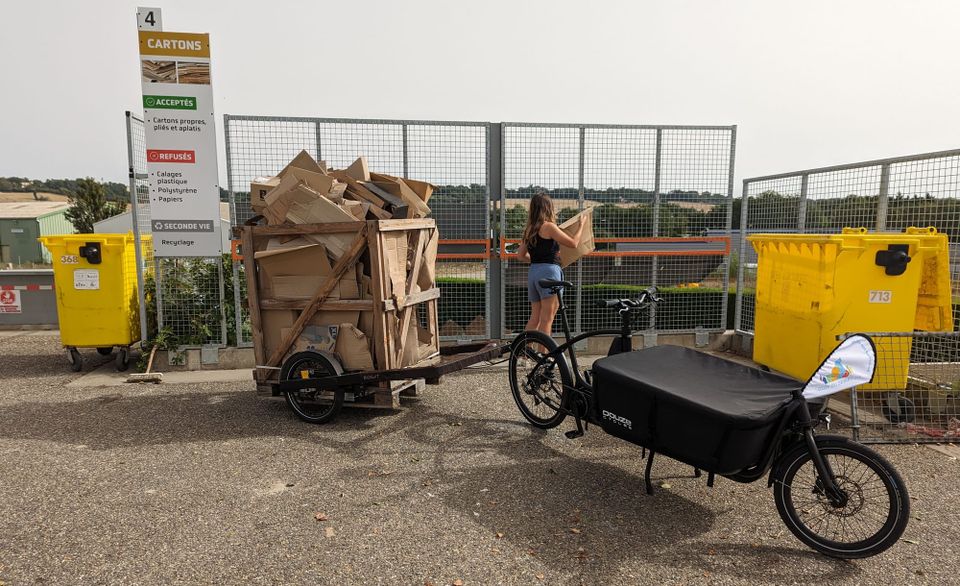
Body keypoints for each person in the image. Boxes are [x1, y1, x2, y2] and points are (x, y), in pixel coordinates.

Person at [516, 192, 586, 334]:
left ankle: (524, 352)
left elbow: (520, 256)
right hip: (549, 272)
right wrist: (581, 226)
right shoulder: (549, 227)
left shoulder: (529, 229)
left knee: (534, 318)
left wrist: (539, 260)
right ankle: (543, 354)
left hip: (534, 272)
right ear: (548, 208)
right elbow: (573, 243)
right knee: (547, 318)